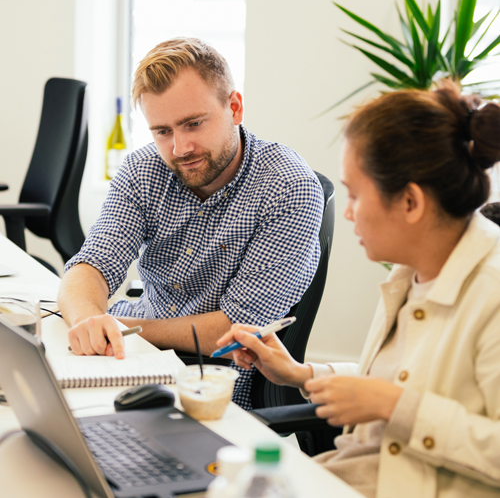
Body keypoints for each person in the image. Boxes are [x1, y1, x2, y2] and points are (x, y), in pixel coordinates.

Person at [217, 82, 500, 496]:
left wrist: (393, 407)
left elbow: (397, 400)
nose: (346, 213)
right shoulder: (413, 274)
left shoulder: (491, 292)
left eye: (354, 194)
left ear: (410, 202)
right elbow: (397, 381)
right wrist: (300, 373)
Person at [57, 38, 324, 410]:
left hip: (217, 386)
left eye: (193, 124)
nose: (180, 148)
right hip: (137, 360)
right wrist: (88, 320)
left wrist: (121, 326)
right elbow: (92, 264)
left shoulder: (286, 186)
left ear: (234, 107)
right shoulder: (142, 170)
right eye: (162, 131)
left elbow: (238, 327)